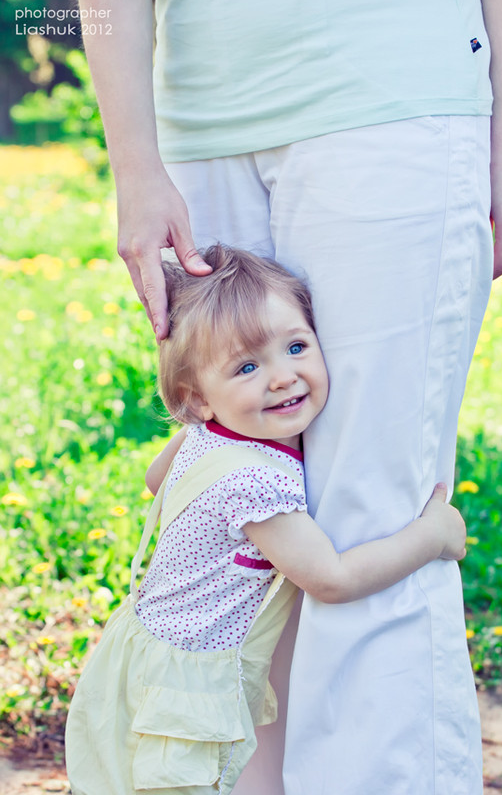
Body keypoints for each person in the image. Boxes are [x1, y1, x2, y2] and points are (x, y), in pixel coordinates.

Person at [77, 0, 502, 792]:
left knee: (374, 511)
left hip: (395, 103)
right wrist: (135, 165)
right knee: (239, 517)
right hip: (198, 118)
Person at [65, 246, 467, 795]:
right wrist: (432, 536)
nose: (282, 378)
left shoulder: (204, 437)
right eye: (248, 367)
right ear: (196, 398)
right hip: (193, 679)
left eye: (297, 347)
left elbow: (157, 479)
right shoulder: (257, 483)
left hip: (140, 646)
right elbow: (332, 578)